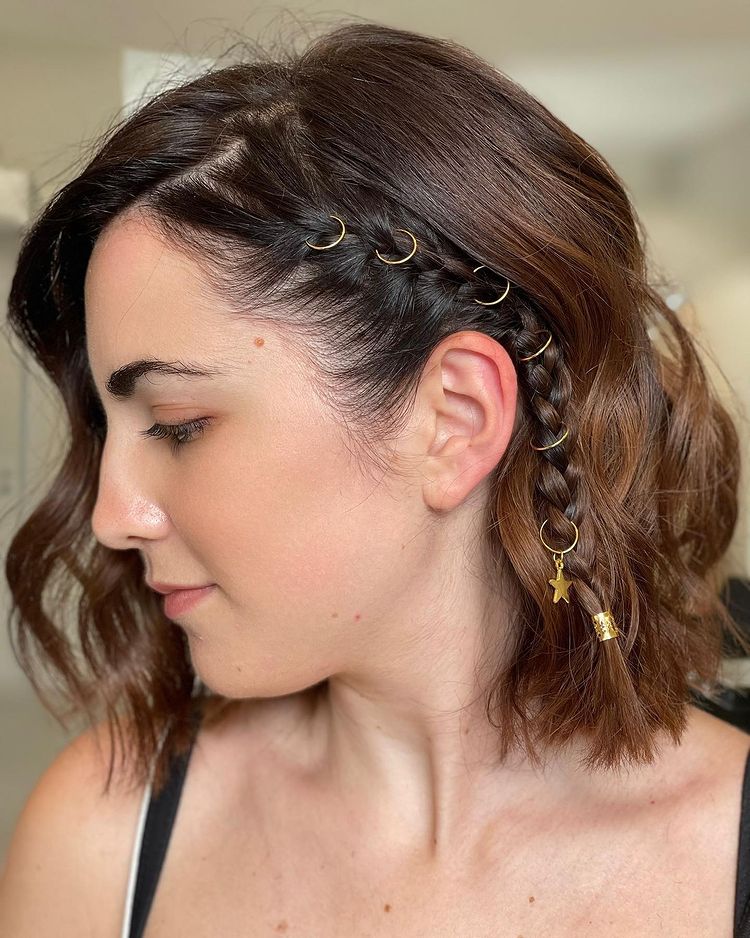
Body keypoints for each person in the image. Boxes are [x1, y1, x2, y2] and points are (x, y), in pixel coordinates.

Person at [1, 19, 749, 938]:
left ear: (455, 421)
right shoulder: (103, 839)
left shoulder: (725, 846)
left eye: (178, 425)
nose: (114, 516)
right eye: (104, 431)